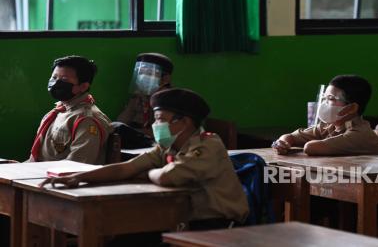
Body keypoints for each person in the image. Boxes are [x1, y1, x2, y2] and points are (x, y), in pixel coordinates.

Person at [40, 88, 249, 231]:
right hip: (185, 220)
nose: (155, 126)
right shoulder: (167, 147)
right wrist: (79, 177)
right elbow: (125, 169)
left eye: (160, 120)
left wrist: (147, 173)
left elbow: (168, 177)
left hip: (220, 224)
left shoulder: (207, 145)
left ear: (184, 122)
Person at [273, 75, 378, 156]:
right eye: (324, 98)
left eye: (331, 99)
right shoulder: (328, 126)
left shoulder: (360, 134)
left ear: (352, 108)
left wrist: (291, 145)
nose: (324, 103)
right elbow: (291, 136)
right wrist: (283, 143)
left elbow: (311, 147)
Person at [29, 55, 113, 164]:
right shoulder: (59, 111)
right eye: (54, 78)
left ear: (83, 86)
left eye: (64, 80)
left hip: (58, 178)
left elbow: (77, 166)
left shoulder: (86, 120)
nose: (56, 83)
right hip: (37, 173)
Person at [113, 53, 173, 149]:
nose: (143, 77)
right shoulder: (140, 97)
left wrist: (133, 131)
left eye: (149, 73)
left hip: (160, 147)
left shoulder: (168, 100)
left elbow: (164, 136)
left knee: (119, 128)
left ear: (165, 79)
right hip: (140, 144)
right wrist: (133, 103)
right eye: (141, 72)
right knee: (115, 128)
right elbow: (121, 121)